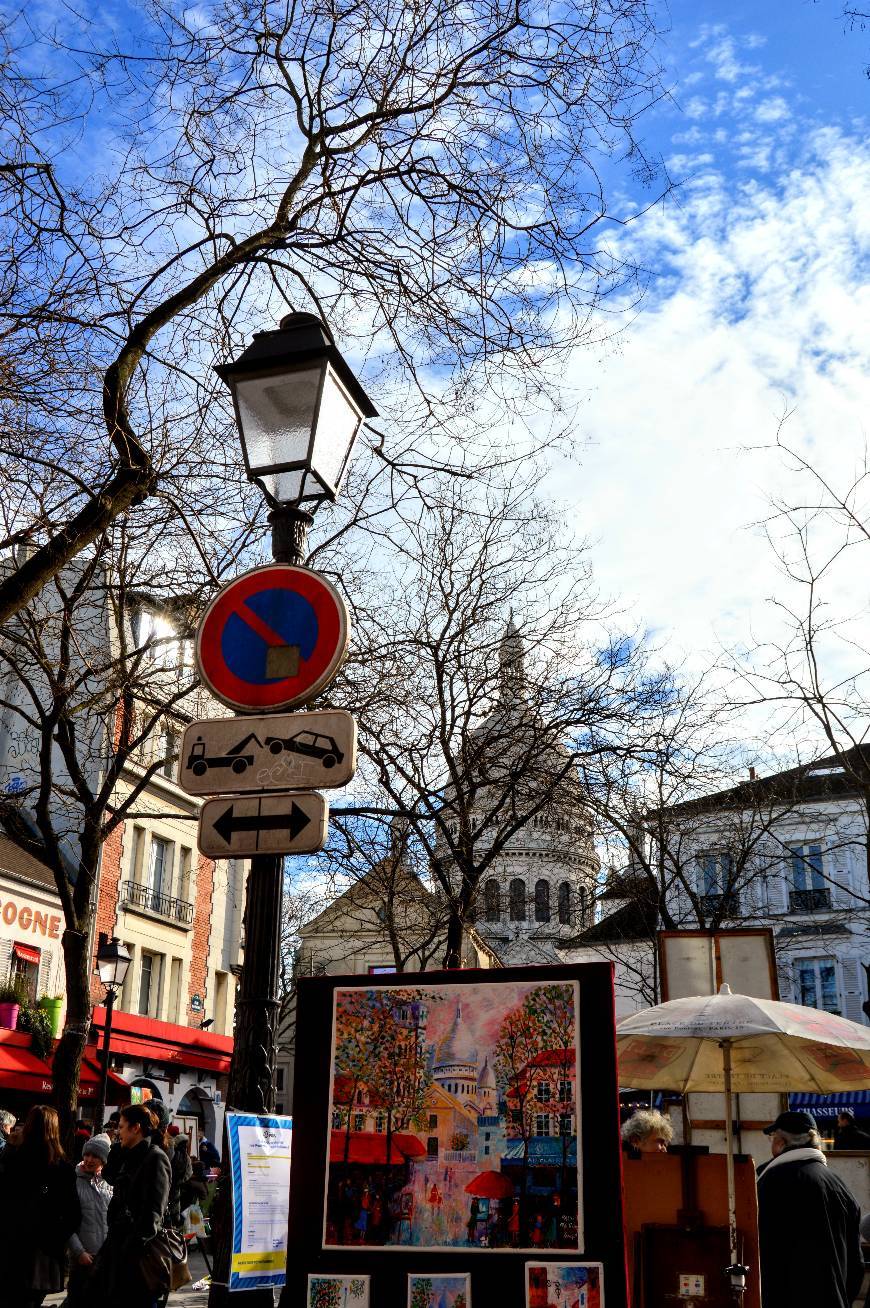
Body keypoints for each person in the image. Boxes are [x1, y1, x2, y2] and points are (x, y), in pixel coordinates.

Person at [757, 1109, 863, 1308]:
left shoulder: (771, 1183)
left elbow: (761, 1254)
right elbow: (856, 1264)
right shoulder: (838, 1185)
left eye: (772, 1138)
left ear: (780, 1143)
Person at [0, 1103, 80, 1308]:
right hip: (44, 1257)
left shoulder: (13, 1159)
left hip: (11, 1249)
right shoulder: (62, 1168)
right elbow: (73, 1215)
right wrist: (55, 1238)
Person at [94, 1103, 171, 1308]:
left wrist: (132, 1246)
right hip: (118, 1245)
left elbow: (154, 1211)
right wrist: (117, 1150)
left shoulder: (155, 1158)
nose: (117, 1132)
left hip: (137, 1256)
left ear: (135, 1128)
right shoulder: (127, 1154)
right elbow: (110, 1176)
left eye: (121, 1127)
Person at [65, 1133, 112, 1307]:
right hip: (83, 1260)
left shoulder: (110, 1183)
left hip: (106, 1259)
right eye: (87, 1154)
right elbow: (66, 1222)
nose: (89, 1159)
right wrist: (79, 1252)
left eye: (96, 1156)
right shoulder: (73, 1182)